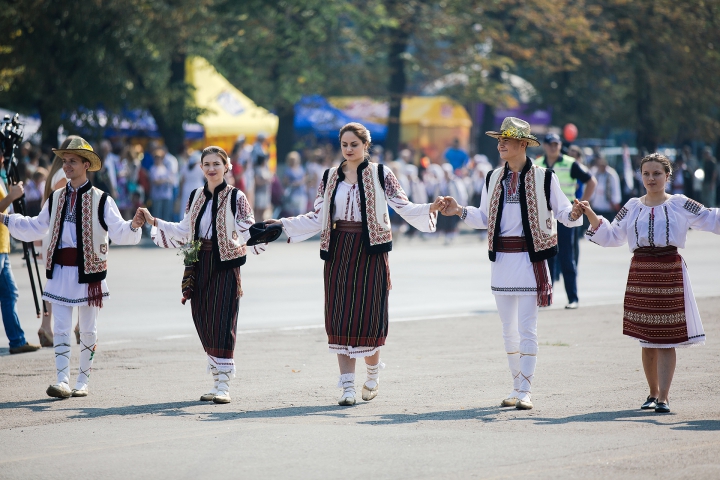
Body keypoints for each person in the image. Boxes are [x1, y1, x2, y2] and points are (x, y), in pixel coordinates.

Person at [266, 122, 444, 406]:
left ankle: (372, 375)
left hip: (371, 250)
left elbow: (404, 206)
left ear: (365, 145)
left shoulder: (382, 174)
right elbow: (316, 217)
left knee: (370, 316)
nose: (349, 150)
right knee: (340, 316)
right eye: (344, 145)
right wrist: (281, 224)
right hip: (339, 250)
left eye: (354, 145)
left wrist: (431, 208)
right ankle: (347, 387)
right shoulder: (329, 177)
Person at [441, 117, 584, 410]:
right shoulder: (493, 177)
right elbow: (483, 218)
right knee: (508, 329)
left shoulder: (546, 177)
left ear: (523, 144)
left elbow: (564, 212)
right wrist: (459, 211)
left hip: (532, 261)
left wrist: (576, 213)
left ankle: (525, 391)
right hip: (502, 260)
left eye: (507, 139)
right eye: (499, 139)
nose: (501, 144)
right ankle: (516, 386)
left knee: (527, 327)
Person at [1, 136, 143, 397]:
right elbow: (37, 226)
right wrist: (6, 220)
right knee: (62, 328)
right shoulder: (56, 198)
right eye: (65, 162)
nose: (66, 166)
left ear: (86, 164)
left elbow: (120, 232)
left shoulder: (102, 200)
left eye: (72, 162)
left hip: (89, 272)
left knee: (88, 329)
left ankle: (83, 381)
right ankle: (62, 380)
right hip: (61, 271)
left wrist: (134, 224)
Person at [580, 153, 720, 413]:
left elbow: (710, 218)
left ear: (668, 176)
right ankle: (652, 393)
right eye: (646, 173)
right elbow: (612, 236)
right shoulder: (632, 205)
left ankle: (664, 397)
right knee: (647, 339)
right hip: (642, 271)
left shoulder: (680, 203)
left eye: (657, 173)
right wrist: (590, 214)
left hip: (669, 269)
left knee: (667, 337)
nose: (651, 178)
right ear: (640, 175)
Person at [139, 146, 265, 404]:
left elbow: (247, 227)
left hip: (226, 264)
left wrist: (260, 235)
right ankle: (217, 378)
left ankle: (223, 385)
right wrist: (154, 222)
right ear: (200, 168)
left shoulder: (236, 197)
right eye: (206, 164)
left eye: (216, 163)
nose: (211, 168)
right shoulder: (195, 195)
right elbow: (185, 229)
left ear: (226, 166)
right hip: (199, 262)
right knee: (202, 317)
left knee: (223, 321)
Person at [535, 133, 596, 309]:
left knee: (566, 257)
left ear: (560, 145)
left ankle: (573, 298)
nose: (553, 147)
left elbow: (591, 181)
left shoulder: (570, 163)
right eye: (550, 144)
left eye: (556, 144)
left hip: (565, 216)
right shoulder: (537, 164)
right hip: (545, 217)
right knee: (546, 257)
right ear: (545, 146)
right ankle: (546, 298)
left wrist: (582, 205)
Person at [0, 152, 42, 354]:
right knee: (9, 293)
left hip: (3, 246)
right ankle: (17, 340)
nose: (3, 160)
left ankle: (17, 340)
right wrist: (12, 196)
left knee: (10, 293)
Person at [589, 156, 622, 222]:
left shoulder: (612, 174)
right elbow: (590, 186)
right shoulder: (594, 172)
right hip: (596, 205)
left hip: (608, 207)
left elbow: (616, 189)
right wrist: (590, 200)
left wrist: (615, 202)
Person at [149, 147, 176, 223]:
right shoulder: (153, 169)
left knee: (166, 216)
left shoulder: (166, 168)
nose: (158, 160)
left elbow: (172, 180)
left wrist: (165, 180)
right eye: (156, 158)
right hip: (157, 196)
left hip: (167, 195)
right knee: (157, 215)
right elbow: (155, 181)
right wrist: (165, 180)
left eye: (160, 158)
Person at [281, 151, 308, 217]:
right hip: (292, 194)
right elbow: (285, 182)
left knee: (302, 213)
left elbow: (304, 178)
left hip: (302, 193)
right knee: (293, 214)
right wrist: (294, 184)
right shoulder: (288, 170)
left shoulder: (301, 168)